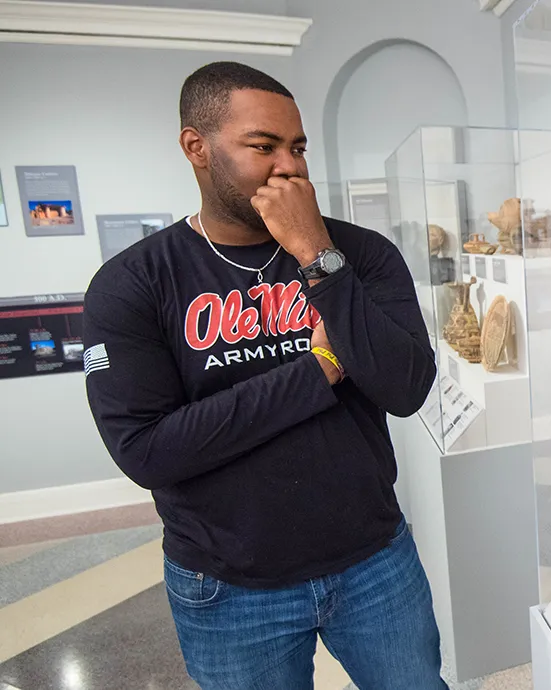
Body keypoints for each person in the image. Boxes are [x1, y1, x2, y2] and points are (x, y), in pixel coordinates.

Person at [82, 61, 447, 689]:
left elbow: (406, 387)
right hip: (228, 584)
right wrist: (321, 369)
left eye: (298, 147)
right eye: (264, 146)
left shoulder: (359, 254)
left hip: (374, 560)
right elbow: (149, 450)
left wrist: (316, 255)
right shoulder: (132, 283)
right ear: (196, 147)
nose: (290, 166)